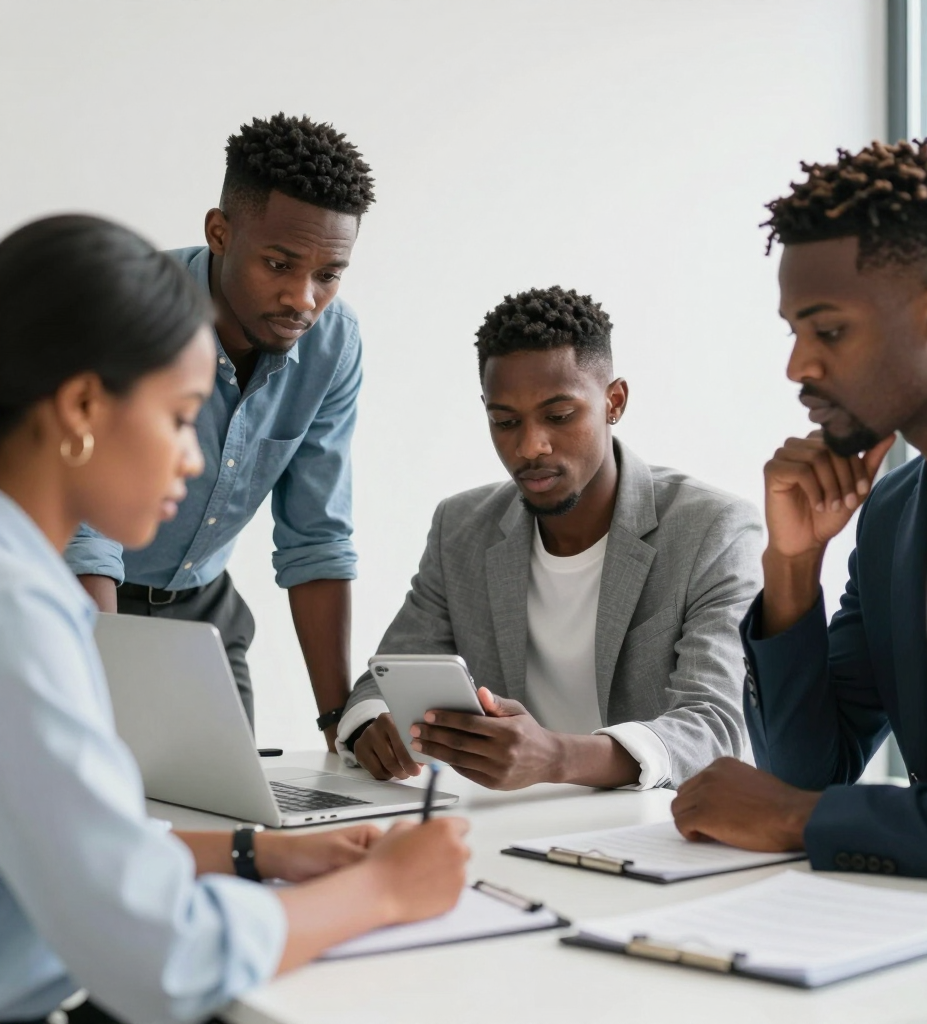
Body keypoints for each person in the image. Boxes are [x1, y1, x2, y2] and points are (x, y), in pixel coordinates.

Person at [0, 214, 469, 1024]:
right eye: (181, 416)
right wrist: (383, 890)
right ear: (81, 405)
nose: (194, 456)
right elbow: (165, 960)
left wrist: (259, 851)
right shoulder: (21, 615)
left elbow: (73, 844)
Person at [670, 139, 927, 885]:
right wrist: (793, 567)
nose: (798, 366)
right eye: (793, 332)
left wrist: (798, 820)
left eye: (827, 331)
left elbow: (797, 804)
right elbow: (813, 766)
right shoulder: (894, 514)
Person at [339, 286, 762, 790]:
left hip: (660, 828)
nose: (530, 445)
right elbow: (387, 675)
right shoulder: (462, 528)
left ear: (614, 401)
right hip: (517, 824)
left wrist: (557, 757)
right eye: (504, 422)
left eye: (559, 416)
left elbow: (714, 723)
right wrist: (370, 722)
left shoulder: (713, 530)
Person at [66, 113, 374, 744]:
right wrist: (104, 694)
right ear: (220, 233)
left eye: (328, 274)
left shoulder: (334, 346)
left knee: (239, 815)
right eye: (279, 263)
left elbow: (316, 536)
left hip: (205, 613)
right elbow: (84, 529)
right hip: (78, 597)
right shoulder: (128, 311)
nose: (303, 299)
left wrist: (341, 719)